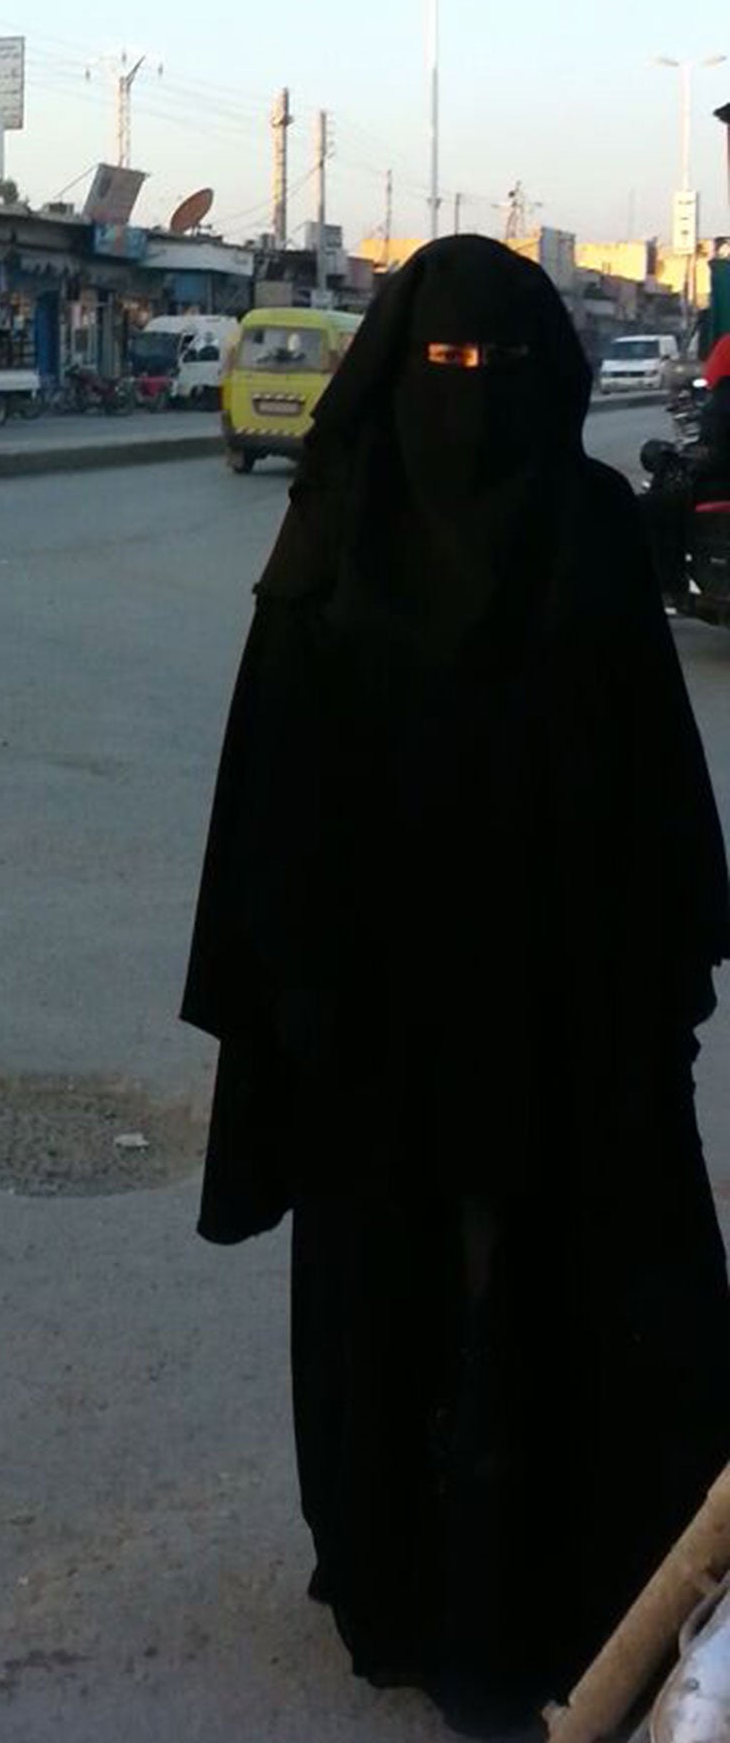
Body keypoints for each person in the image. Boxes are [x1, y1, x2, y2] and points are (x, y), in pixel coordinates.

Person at [182, 236, 730, 1736]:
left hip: (561, 1019)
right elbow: (268, 797)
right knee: (404, 1297)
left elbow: (656, 787)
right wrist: (290, 1002)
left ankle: (577, 1592)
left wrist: (656, 967)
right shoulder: (335, 530)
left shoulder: (594, 534)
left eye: (496, 373)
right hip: (385, 1029)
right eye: (443, 371)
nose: (467, 402)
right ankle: (404, 1583)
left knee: (565, 1292)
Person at [641, 334, 730, 600]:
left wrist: (689, 461)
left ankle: (670, 583)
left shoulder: (723, 401)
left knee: (651, 507)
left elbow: (716, 455)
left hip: (720, 486)